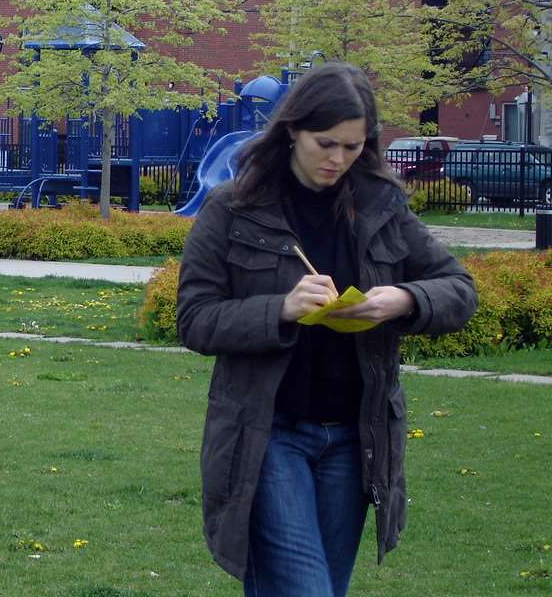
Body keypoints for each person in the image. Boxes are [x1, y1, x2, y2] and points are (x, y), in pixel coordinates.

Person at [175, 63, 476, 597]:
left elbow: (458, 288)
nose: (338, 160)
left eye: (353, 147)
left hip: (355, 437)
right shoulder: (233, 208)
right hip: (268, 434)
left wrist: (405, 299)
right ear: (292, 129)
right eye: (325, 143)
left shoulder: (382, 205)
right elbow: (195, 318)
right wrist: (282, 309)